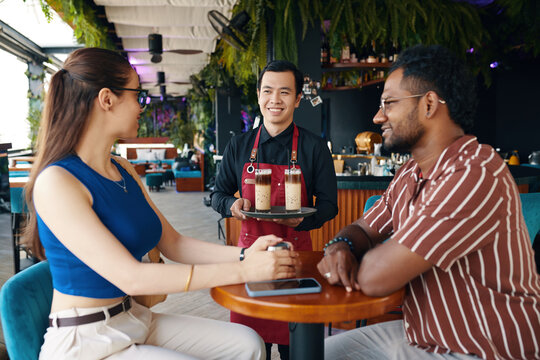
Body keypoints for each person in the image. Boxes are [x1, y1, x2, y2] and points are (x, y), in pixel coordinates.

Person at [24, 47, 299, 360]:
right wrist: (244, 271)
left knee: (247, 343)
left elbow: (174, 243)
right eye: (137, 95)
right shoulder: (57, 182)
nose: (143, 106)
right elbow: (131, 276)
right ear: (107, 99)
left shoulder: (122, 168)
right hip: (86, 341)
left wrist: (244, 254)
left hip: (132, 316)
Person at [317, 44, 540, 359]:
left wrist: (364, 259)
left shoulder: (473, 172)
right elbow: (364, 228)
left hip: (481, 349)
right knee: (319, 353)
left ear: (429, 104)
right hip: (422, 335)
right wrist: (341, 245)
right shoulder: (411, 172)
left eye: (389, 103)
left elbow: (375, 278)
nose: (377, 116)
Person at [211, 60, 338, 359]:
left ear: (296, 99)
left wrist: (303, 222)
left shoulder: (314, 147)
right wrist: (232, 205)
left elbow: (330, 205)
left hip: (296, 262)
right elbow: (217, 195)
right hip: (250, 262)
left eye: (284, 92)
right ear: (258, 95)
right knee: (250, 348)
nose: (275, 100)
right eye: (268, 91)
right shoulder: (239, 146)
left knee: (298, 350)